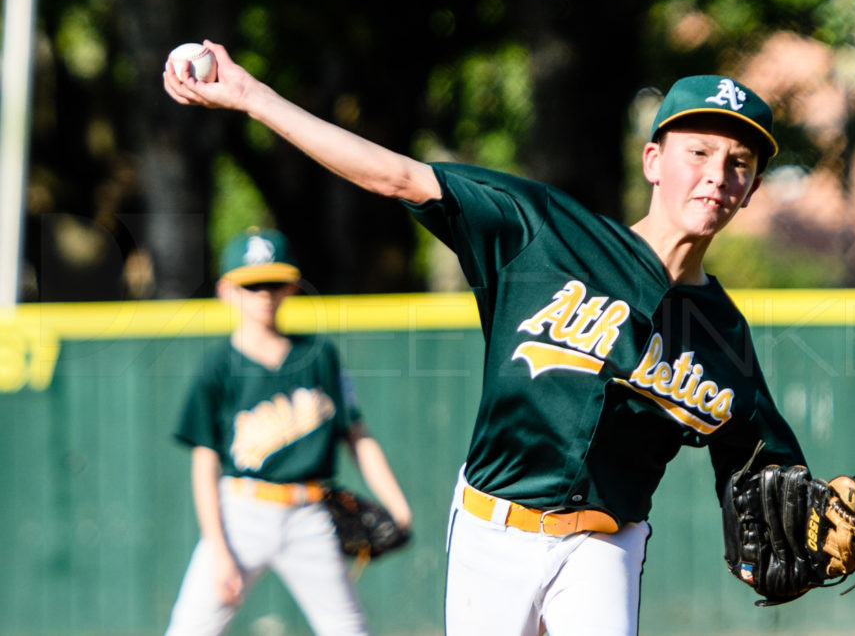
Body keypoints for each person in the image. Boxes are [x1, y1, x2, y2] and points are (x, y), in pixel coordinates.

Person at [164, 42, 806, 636]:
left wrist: (797, 513)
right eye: (698, 151)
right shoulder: (546, 232)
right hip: (493, 530)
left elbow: (763, 460)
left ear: (750, 189)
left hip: (605, 544)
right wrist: (253, 96)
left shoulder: (723, 337)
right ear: (653, 160)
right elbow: (395, 176)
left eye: (739, 163)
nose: (717, 174)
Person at [165, 226, 412, 636]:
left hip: (309, 513)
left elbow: (358, 436)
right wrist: (219, 548)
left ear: (292, 287)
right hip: (241, 511)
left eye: (274, 283)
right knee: (190, 628)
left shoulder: (318, 356)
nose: (264, 294)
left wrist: (396, 504)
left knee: (349, 629)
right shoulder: (217, 366)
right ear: (227, 291)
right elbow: (204, 464)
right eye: (252, 285)